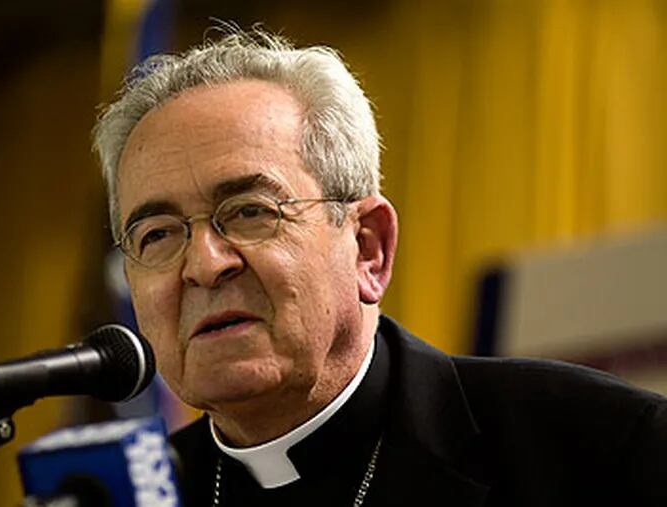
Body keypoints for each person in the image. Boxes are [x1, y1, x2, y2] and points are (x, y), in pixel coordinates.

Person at [92, 28, 667, 506]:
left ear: (368, 247)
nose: (203, 264)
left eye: (249, 212)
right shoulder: (127, 498)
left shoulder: (606, 451)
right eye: (157, 234)